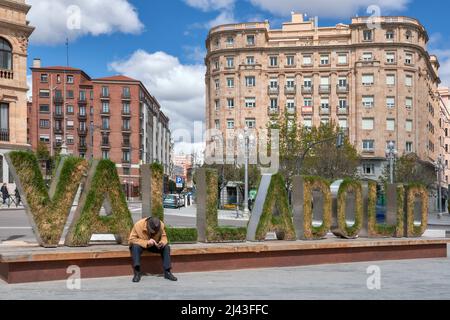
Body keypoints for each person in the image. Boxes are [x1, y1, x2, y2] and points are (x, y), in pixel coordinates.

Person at [129, 217, 177, 283]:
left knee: (166, 247)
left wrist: (162, 243)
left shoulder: (161, 225)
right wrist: (146, 242)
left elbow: (164, 237)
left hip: (154, 245)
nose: (154, 233)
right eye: (152, 231)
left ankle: (167, 272)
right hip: (141, 244)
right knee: (135, 247)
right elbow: (131, 240)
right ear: (147, 225)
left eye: (156, 231)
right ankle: (137, 272)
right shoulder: (138, 225)